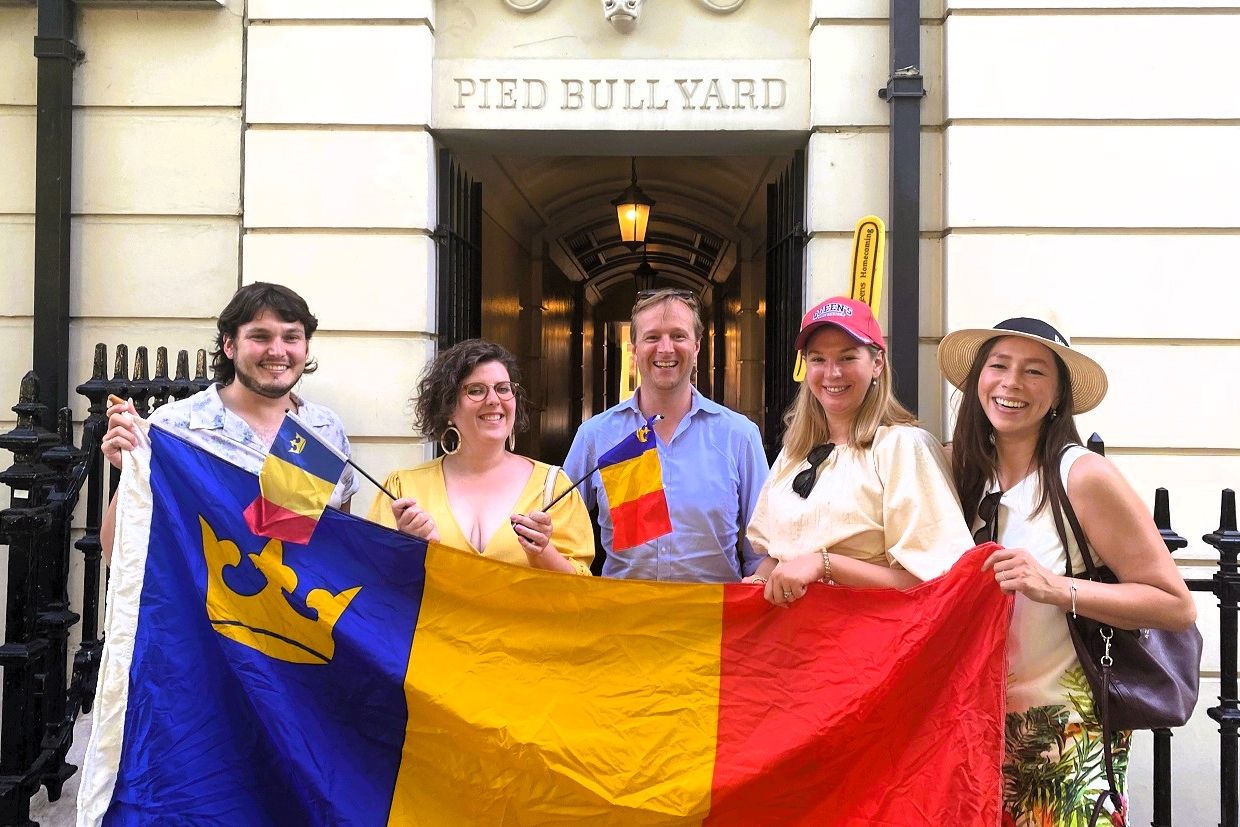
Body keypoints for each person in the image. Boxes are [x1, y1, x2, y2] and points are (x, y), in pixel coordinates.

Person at [938, 316, 1196, 826]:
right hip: (971, 732)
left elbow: (1174, 604)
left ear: (1057, 395)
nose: (1011, 383)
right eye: (999, 366)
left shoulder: (1081, 475)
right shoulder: (959, 473)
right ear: (977, 382)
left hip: (1065, 736)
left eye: (1034, 372)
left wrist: (1055, 587)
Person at [100, 282, 359, 561]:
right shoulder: (176, 427)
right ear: (229, 345)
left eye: (291, 337)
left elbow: (338, 552)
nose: (277, 350)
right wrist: (133, 471)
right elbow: (116, 548)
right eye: (260, 337)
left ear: (306, 347)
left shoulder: (325, 429)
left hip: (299, 603)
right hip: (209, 604)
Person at [747, 297, 974, 605]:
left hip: (867, 643)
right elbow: (777, 556)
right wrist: (760, 580)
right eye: (818, 359)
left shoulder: (903, 448)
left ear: (877, 363)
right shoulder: (794, 453)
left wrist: (823, 564)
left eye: (847, 358)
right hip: (795, 645)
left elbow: (934, 580)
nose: (832, 373)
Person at [563, 288, 768, 582]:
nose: (665, 348)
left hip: (710, 621)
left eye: (678, 336)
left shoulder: (739, 436)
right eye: (652, 337)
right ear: (634, 348)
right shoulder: (596, 436)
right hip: (625, 620)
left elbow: (763, 549)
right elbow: (562, 536)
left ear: (697, 346)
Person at [367, 339, 593, 575]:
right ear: (448, 407)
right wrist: (408, 547)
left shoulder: (554, 487)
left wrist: (543, 551)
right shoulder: (403, 488)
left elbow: (580, 591)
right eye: (476, 390)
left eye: (503, 388)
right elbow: (370, 582)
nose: (494, 400)